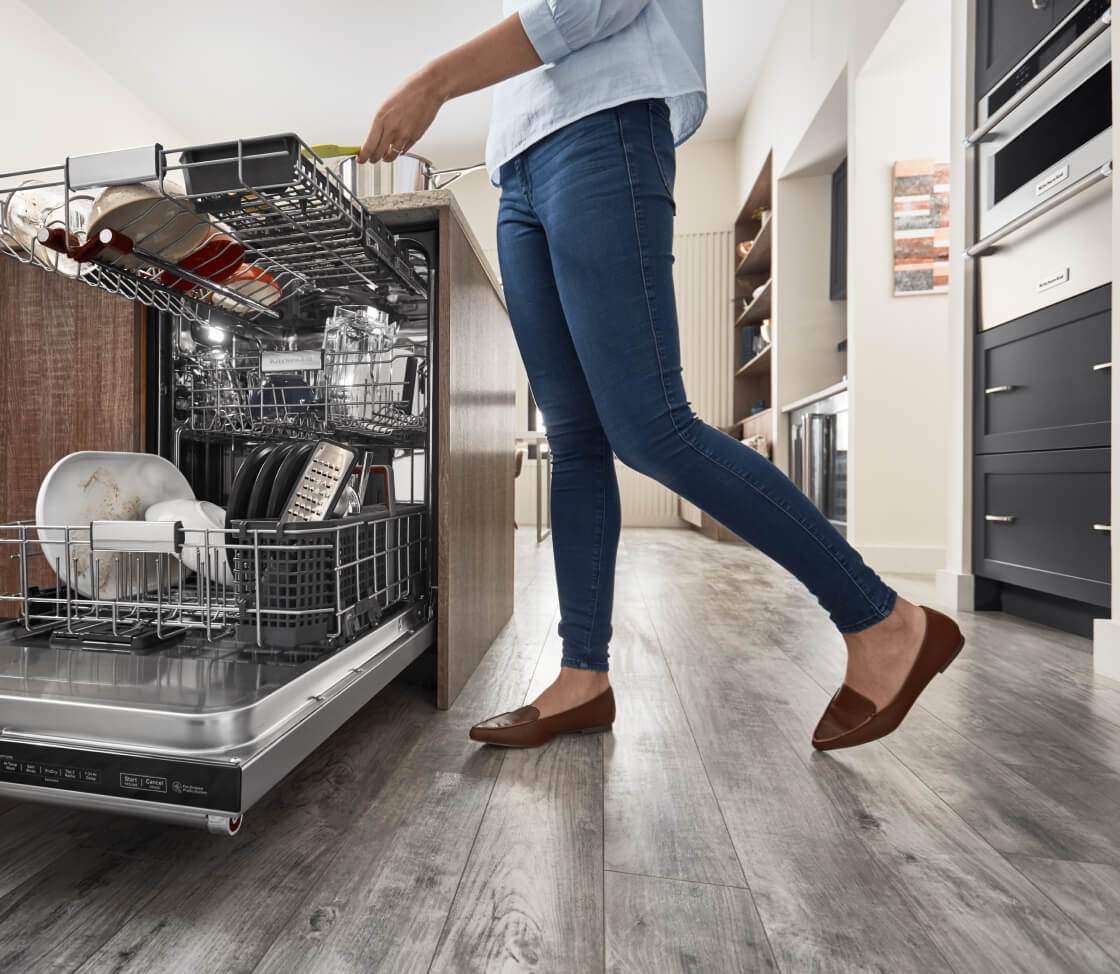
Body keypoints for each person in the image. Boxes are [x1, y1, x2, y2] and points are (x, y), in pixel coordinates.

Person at [357, 0, 964, 752]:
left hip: (605, 124)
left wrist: (435, 81)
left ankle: (885, 620)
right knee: (574, 439)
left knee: (651, 426)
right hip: (517, 168)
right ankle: (584, 677)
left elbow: (590, 9)